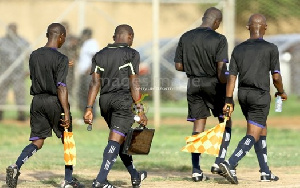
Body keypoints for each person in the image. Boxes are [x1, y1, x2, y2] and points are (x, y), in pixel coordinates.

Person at [6, 23, 84, 188]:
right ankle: (68, 180)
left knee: (37, 141)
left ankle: (16, 166)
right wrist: (67, 112)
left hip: (37, 102)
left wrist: (63, 64)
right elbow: (61, 86)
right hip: (54, 101)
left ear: (48, 35)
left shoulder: (34, 55)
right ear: (61, 36)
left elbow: (42, 71)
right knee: (67, 139)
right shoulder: (61, 58)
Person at [219, 14, 287, 184]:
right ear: (265, 27)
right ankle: (230, 163)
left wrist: (228, 100)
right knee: (253, 134)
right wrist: (281, 92)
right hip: (260, 95)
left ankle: (265, 172)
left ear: (248, 27)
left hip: (243, 95)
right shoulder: (271, 48)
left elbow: (232, 78)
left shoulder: (238, 49)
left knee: (260, 130)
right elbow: (276, 77)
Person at [83, 24, 148, 188]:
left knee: (119, 138)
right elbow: (134, 81)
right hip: (122, 102)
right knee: (115, 139)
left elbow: (94, 83)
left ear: (114, 37)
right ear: (130, 37)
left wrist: (89, 108)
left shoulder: (99, 54)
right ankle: (100, 180)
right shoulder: (131, 54)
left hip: (104, 102)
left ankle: (135, 175)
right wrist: (140, 109)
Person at [174, 7, 232, 181]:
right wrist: (230, 78)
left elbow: (178, 66)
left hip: (194, 84)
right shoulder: (219, 39)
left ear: (203, 18)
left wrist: (194, 66)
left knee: (198, 127)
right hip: (214, 84)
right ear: (216, 22)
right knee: (225, 121)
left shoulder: (186, 37)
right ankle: (219, 162)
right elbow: (221, 71)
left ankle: (196, 170)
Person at [0, 23, 29, 121]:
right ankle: (0, 113)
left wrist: (29, 70)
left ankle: (21, 115)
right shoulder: (2, 41)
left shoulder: (22, 42)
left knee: (19, 93)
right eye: (10, 30)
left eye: (13, 29)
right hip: (4, 72)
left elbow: (31, 55)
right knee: (2, 93)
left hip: (18, 74)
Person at [77, 28, 99, 116]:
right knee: (82, 94)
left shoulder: (92, 43)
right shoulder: (85, 44)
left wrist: (90, 68)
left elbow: (95, 57)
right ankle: (85, 113)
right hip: (83, 73)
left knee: (89, 93)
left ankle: (91, 114)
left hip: (89, 73)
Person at [59, 21, 80, 101]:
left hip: (70, 68)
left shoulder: (73, 38)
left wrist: (74, 58)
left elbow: (77, 50)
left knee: (69, 87)